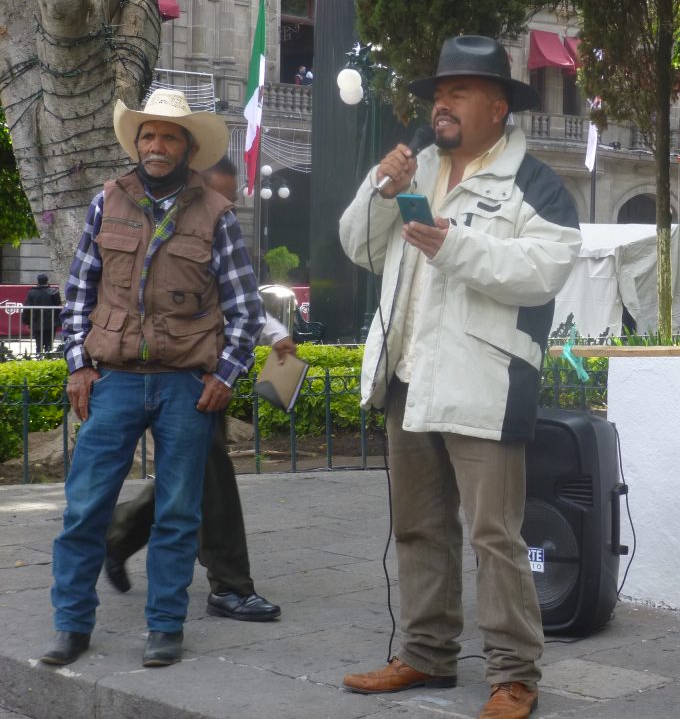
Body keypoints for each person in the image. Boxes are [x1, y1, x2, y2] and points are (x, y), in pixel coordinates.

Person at [338, 35, 581, 719]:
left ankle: (514, 673)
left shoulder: (535, 183)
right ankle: (425, 654)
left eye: (458, 92)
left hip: (486, 382)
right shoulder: (413, 169)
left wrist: (458, 246)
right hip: (408, 376)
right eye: (438, 93)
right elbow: (358, 245)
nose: (441, 104)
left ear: (498, 106)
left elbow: (544, 272)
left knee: (494, 535)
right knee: (418, 526)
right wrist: (379, 187)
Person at [42, 89, 264, 669]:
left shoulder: (215, 214)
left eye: (169, 136)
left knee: (178, 515)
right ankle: (71, 626)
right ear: (137, 143)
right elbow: (79, 295)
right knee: (84, 508)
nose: (157, 146)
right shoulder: (105, 202)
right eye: (148, 136)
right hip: (111, 380)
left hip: (185, 385)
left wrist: (228, 374)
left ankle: (165, 626)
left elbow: (245, 308)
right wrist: (78, 365)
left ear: (188, 147)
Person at [103, 156, 289, 624]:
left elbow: (239, 300)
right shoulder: (159, 227)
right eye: (219, 191)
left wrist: (269, 335)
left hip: (212, 373)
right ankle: (228, 585)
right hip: (182, 374)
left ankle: (119, 534)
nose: (227, 202)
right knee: (210, 477)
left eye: (231, 194)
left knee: (197, 474)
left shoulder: (215, 225)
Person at [22, 273, 62, 355]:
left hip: (37, 323)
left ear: (38, 281)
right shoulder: (54, 292)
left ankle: (39, 357)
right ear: (47, 281)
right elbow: (59, 306)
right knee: (49, 344)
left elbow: (27, 308)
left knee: (38, 344)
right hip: (51, 323)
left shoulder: (32, 293)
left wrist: (26, 321)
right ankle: (48, 357)